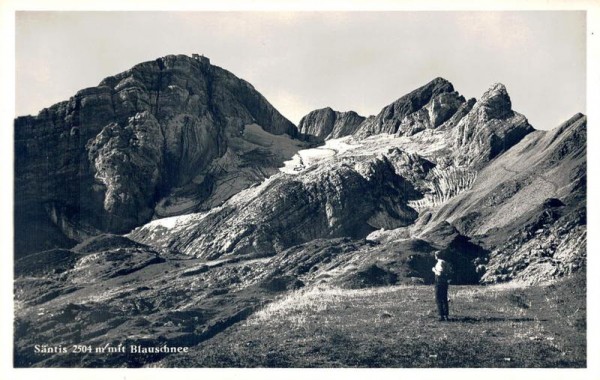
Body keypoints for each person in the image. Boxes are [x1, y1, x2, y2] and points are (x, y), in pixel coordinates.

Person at [432, 251, 453, 321]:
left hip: (439, 281)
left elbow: (440, 273)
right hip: (444, 282)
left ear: (436, 256)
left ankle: (441, 316)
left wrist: (434, 270)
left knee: (438, 298)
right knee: (444, 298)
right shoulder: (445, 262)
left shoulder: (439, 263)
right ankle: (446, 315)